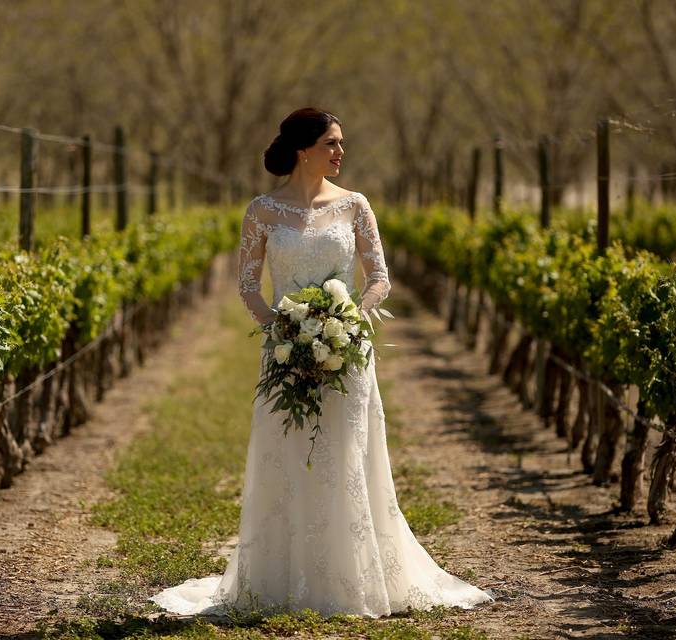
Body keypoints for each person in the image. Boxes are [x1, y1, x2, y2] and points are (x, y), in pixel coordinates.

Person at [149, 107, 494, 617]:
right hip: (284, 352)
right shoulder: (262, 211)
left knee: (347, 456)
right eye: (331, 143)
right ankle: (282, 575)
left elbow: (379, 278)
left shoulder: (356, 205)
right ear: (303, 148)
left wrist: (349, 319)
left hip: (347, 351)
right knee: (287, 454)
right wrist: (282, 330)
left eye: (341, 143)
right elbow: (248, 287)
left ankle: (352, 577)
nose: (340, 152)